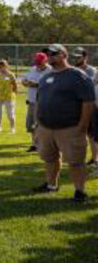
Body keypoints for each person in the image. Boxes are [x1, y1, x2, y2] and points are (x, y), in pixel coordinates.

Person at [33, 43, 95, 203]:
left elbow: (88, 103)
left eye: (54, 53)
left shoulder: (77, 76)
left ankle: (80, 192)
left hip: (69, 128)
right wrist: (38, 123)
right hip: (46, 128)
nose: (50, 56)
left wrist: (82, 127)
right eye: (48, 54)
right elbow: (39, 100)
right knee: (50, 159)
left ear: (64, 55)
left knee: (75, 162)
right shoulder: (46, 76)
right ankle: (51, 185)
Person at [71, 47, 98, 166]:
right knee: (77, 133)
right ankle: (77, 158)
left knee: (92, 134)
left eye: (79, 57)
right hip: (75, 106)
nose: (76, 59)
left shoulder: (92, 70)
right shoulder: (71, 70)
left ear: (85, 57)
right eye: (75, 57)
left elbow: (91, 86)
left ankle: (94, 158)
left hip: (89, 106)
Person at [22, 52, 51, 152]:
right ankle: (34, 144)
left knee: (42, 124)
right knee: (30, 124)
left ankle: (44, 144)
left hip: (44, 102)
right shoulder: (32, 69)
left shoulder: (50, 71)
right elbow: (24, 79)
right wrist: (25, 82)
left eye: (40, 62)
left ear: (45, 61)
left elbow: (49, 85)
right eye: (37, 62)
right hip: (31, 101)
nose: (38, 64)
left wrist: (35, 84)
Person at [0, 59, 18, 134]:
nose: (0, 68)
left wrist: (14, 93)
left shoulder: (11, 75)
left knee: (10, 114)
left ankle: (12, 128)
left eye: (2, 67)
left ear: (6, 66)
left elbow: (15, 85)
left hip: (9, 97)